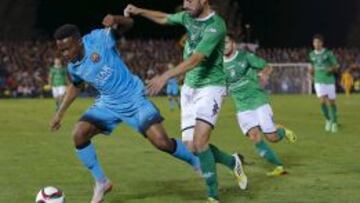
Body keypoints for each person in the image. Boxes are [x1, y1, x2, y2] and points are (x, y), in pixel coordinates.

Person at [50, 14, 200, 203]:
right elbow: (76, 86)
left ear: (79, 42)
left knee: (162, 142)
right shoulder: (73, 67)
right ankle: (102, 182)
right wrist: (59, 114)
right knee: (79, 135)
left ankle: (196, 161)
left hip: (133, 98)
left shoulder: (99, 39)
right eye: (61, 50)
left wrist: (117, 19)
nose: (64, 54)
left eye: (67, 49)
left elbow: (129, 24)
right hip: (108, 104)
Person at [125, 1, 247, 202]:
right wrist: (139, 11)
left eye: (190, 0)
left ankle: (212, 196)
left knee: (200, 142)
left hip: (211, 87)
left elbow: (196, 59)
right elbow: (164, 17)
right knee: (191, 147)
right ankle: (232, 162)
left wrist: (165, 76)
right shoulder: (188, 16)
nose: (186, 5)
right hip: (189, 88)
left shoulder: (216, 25)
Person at [223, 34, 297, 176]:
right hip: (242, 107)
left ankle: (282, 131)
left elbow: (267, 66)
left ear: (233, 43)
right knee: (255, 137)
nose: (224, 46)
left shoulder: (245, 56)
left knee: (272, 137)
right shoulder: (219, 65)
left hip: (258, 101)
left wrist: (264, 75)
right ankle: (279, 167)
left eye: (226, 42)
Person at [309, 34, 340, 133]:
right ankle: (328, 120)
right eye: (314, 42)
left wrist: (331, 69)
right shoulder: (311, 54)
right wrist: (311, 71)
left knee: (332, 102)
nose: (316, 44)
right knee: (322, 101)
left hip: (329, 80)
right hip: (318, 80)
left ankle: (334, 122)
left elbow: (336, 65)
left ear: (322, 43)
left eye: (318, 42)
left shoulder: (328, 53)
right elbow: (312, 66)